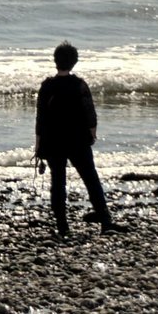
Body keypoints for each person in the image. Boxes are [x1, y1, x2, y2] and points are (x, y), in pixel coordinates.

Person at [34, 41, 119, 237]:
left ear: (56, 61)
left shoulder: (47, 86)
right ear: (75, 62)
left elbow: (41, 117)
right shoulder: (79, 85)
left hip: (53, 141)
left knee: (58, 182)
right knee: (90, 178)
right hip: (78, 140)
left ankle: (62, 226)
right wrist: (92, 133)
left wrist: (38, 144)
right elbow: (90, 113)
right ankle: (105, 220)